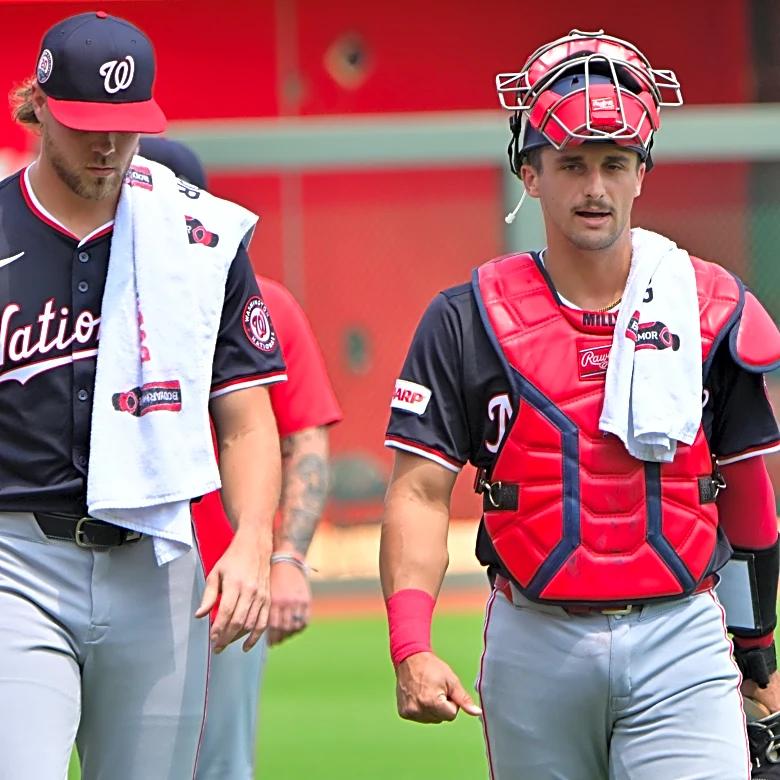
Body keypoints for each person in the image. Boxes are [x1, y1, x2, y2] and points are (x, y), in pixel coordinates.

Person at [379, 29, 780, 779]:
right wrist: (412, 643)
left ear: (640, 175)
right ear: (529, 173)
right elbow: (420, 491)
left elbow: (746, 490)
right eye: (571, 164)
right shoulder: (466, 318)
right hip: (536, 638)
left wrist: (759, 657)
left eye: (614, 164)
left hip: (681, 634)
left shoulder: (711, 307)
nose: (594, 187)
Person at [0, 12, 285, 780]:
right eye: (89, 124)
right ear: (39, 110)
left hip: (157, 560)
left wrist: (253, 538)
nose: (108, 146)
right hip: (15, 558)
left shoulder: (195, 234)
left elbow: (248, 420)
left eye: (126, 127)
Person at [139, 136, 343, 780]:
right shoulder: (98, 302)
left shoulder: (265, 303)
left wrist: (285, 560)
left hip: (225, 570)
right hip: (118, 557)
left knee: (220, 763)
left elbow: (303, 435)